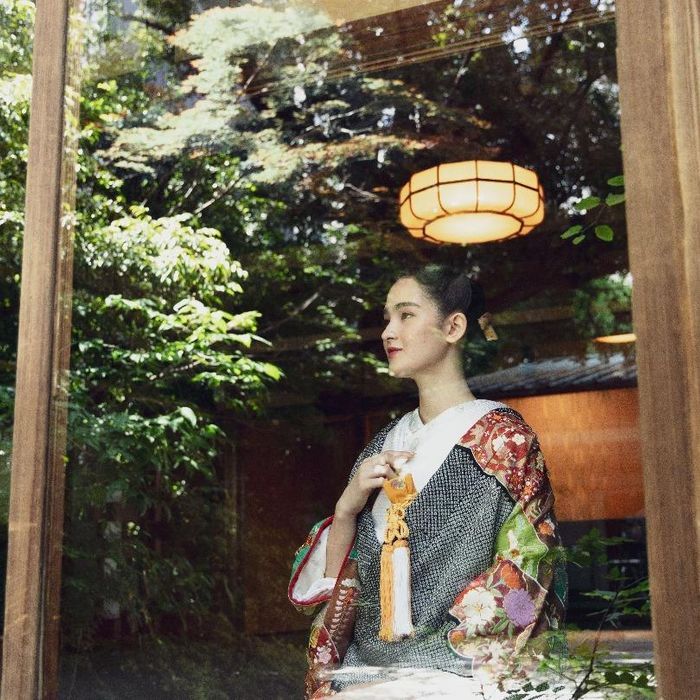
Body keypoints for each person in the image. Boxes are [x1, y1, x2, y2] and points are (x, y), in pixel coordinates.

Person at [288, 264, 567, 698]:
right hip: (362, 675)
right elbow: (342, 584)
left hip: (456, 678)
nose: (388, 332)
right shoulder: (383, 443)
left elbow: (529, 561)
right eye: (387, 318)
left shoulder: (503, 439)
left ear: (453, 327)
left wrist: (439, 663)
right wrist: (346, 509)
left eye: (406, 315)